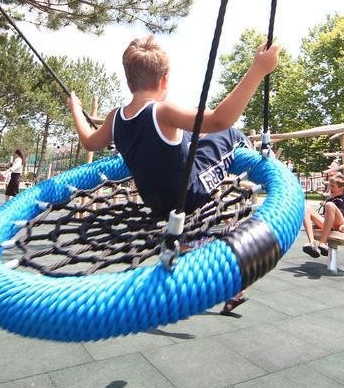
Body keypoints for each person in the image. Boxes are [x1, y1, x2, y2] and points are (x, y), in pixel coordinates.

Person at [67, 34, 279, 313]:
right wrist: (258, 69)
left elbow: (89, 141)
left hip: (156, 202)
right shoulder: (164, 111)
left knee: (190, 135)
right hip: (189, 192)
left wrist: (75, 109)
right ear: (164, 80)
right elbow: (220, 119)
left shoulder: (115, 117)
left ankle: (200, 251)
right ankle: (251, 150)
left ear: (129, 80)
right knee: (229, 133)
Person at [301, 177, 344, 258]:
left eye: (332, 186)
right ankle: (312, 244)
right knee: (306, 209)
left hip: (342, 225)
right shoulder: (330, 200)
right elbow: (326, 218)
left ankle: (323, 242)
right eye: (330, 186)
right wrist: (314, 223)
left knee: (330, 205)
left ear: (341, 188)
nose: (330, 188)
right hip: (330, 225)